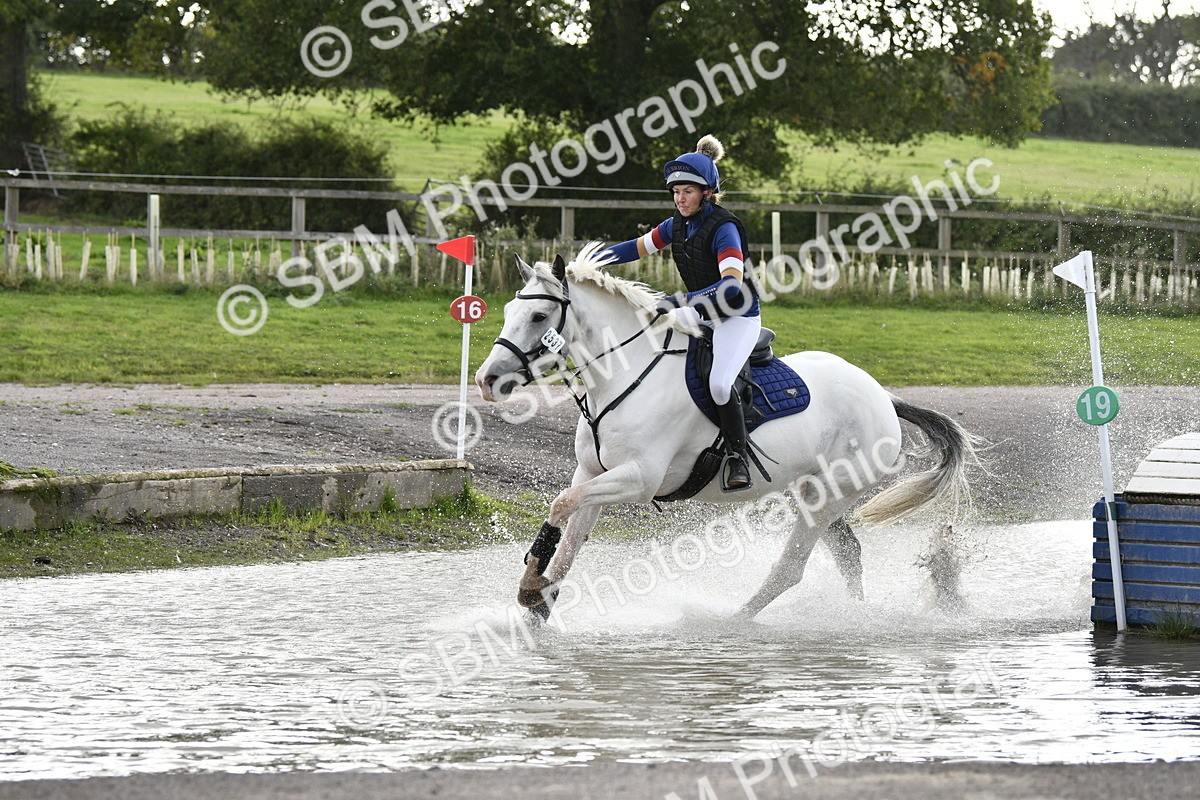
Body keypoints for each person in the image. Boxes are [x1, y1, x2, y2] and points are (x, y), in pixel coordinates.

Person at [600, 135, 761, 491]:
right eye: (676, 192)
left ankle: (738, 457)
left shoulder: (725, 228)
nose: (680, 199)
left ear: (706, 192)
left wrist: (682, 302)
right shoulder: (678, 224)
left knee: (719, 383)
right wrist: (594, 260)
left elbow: (732, 286)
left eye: (687, 191)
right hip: (701, 311)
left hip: (737, 316)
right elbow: (637, 248)